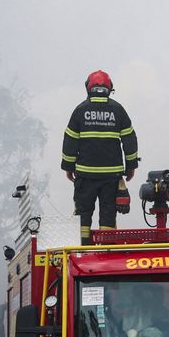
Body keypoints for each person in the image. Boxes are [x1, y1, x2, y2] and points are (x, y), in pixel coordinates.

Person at [62, 70, 139, 245]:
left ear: (88, 88)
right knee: (108, 215)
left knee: (83, 214)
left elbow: (70, 141)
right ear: (109, 88)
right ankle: (107, 249)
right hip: (111, 177)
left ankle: (83, 249)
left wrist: (68, 167)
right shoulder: (118, 110)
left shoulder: (80, 110)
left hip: (85, 176)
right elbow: (130, 140)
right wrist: (131, 166)